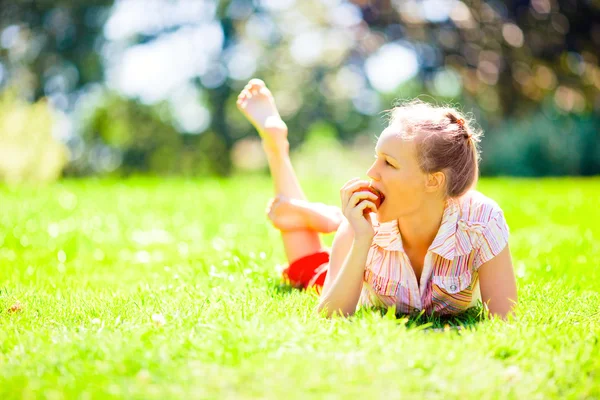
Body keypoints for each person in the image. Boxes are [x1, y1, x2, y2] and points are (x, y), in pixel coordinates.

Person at [236, 79, 518, 320]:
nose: (371, 172)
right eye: (375, 158)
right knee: (308, 266)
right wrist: (360, 239)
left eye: (389, 163)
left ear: (433, 180)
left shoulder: (480, 222)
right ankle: (276, 146)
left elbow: (504, 319)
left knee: (323, 240)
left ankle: (326, 217)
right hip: (353, 279)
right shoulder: (365, 224)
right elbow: (330, 315)